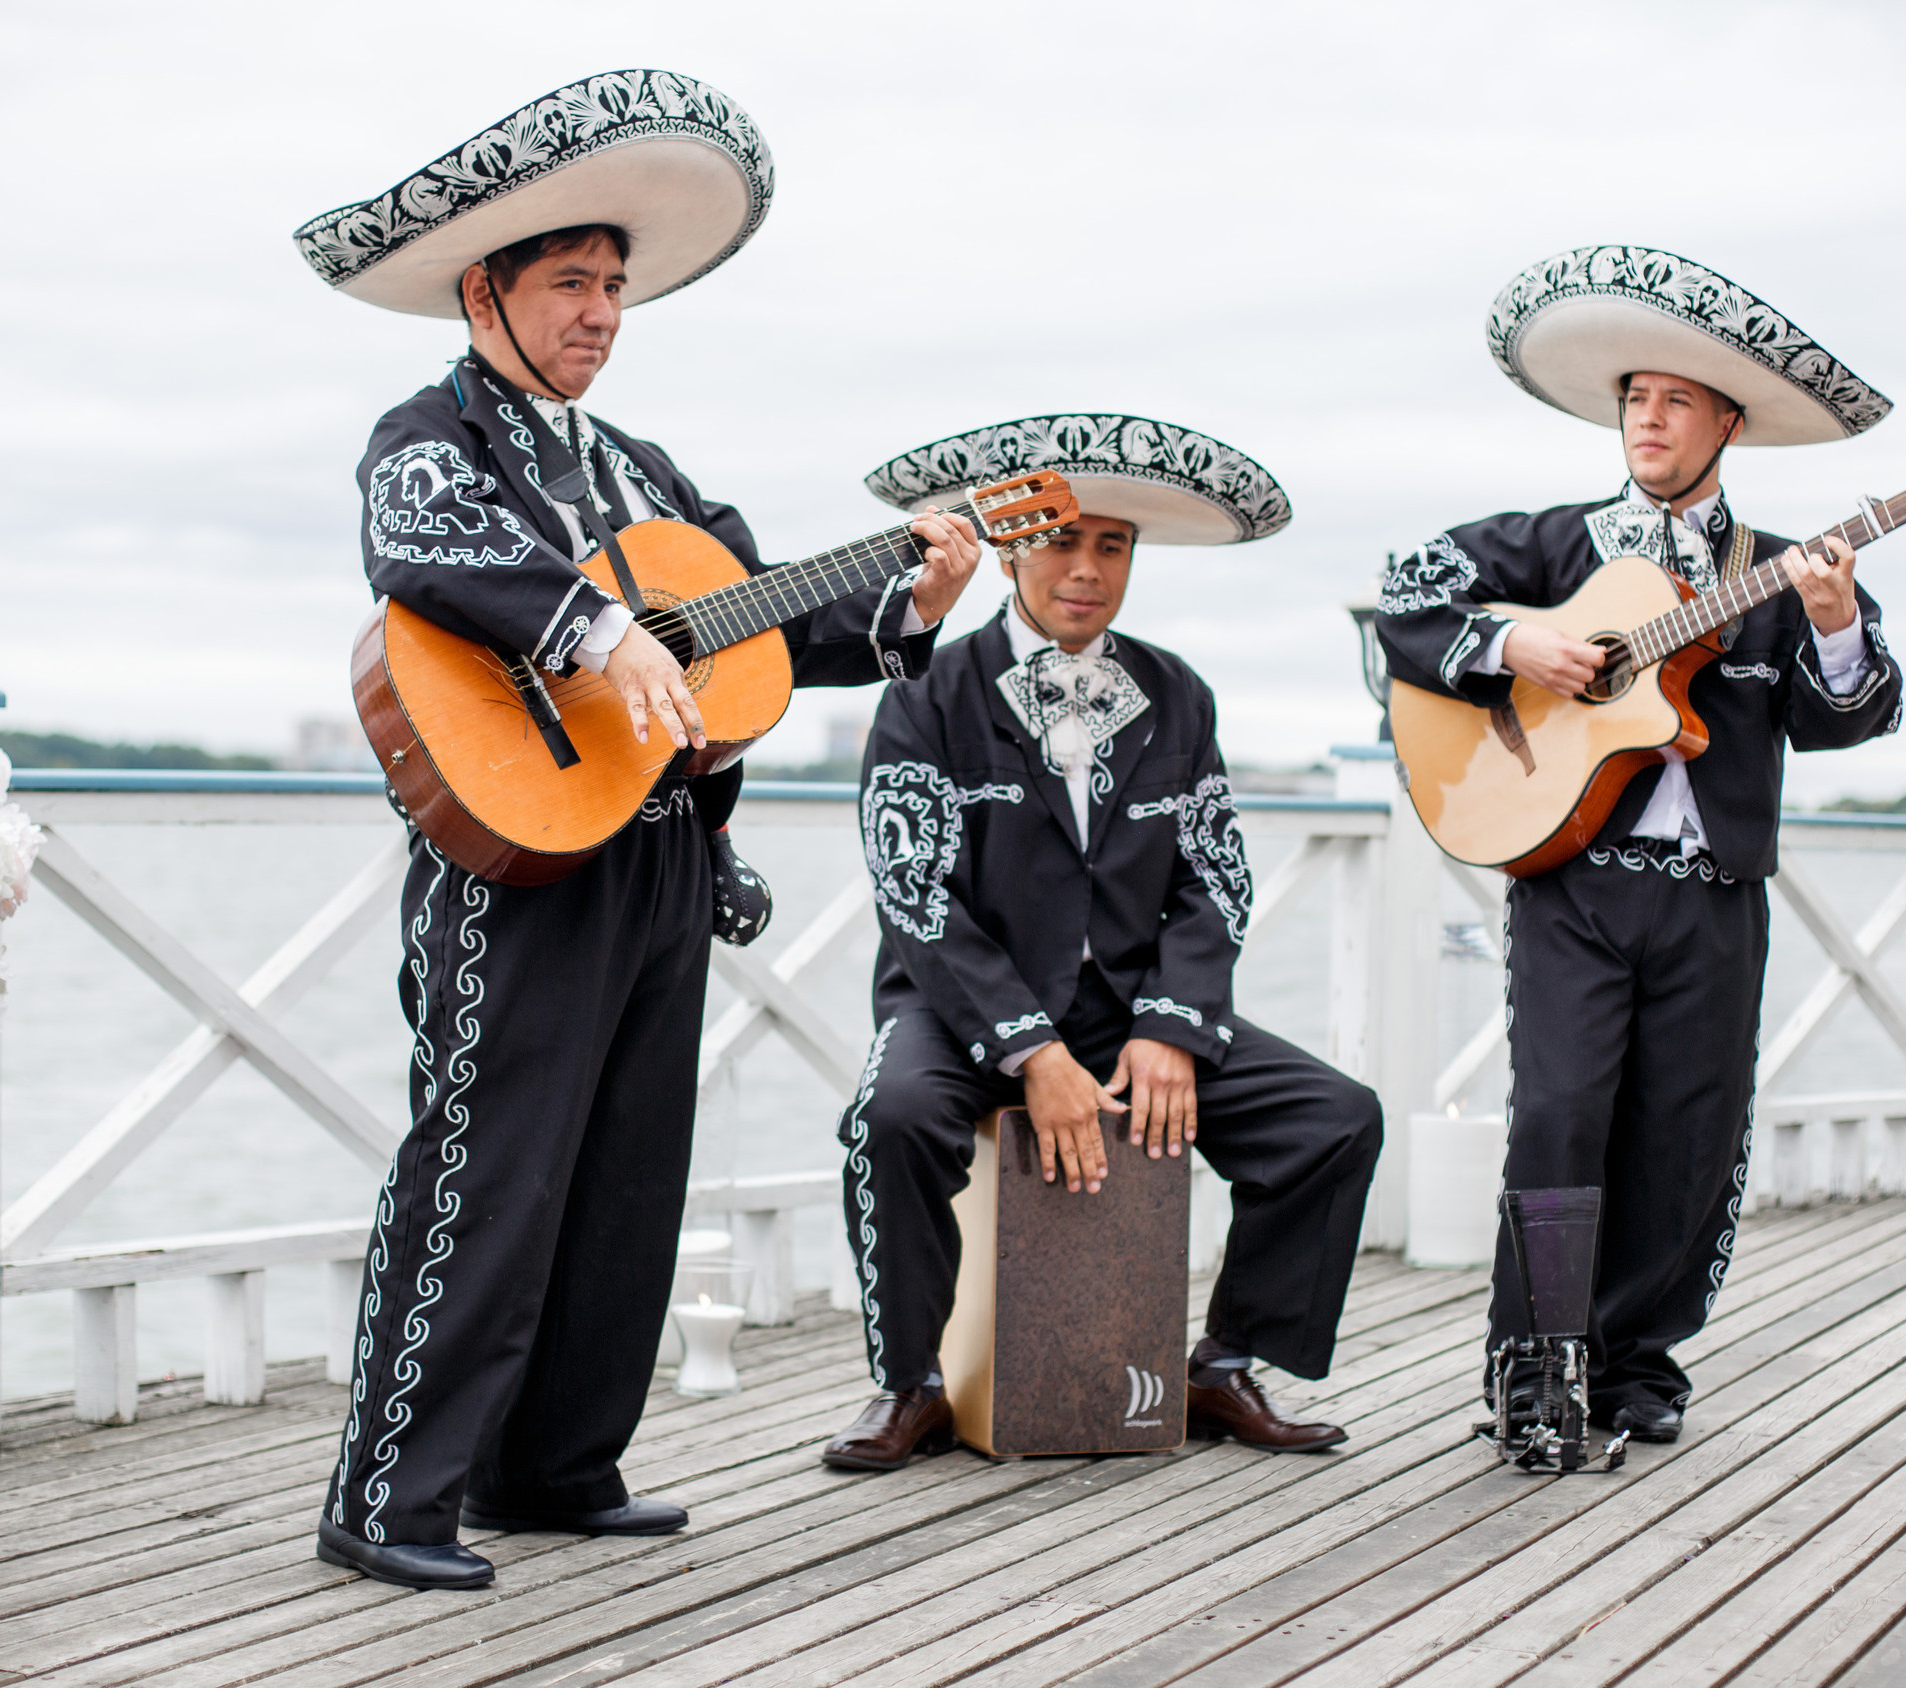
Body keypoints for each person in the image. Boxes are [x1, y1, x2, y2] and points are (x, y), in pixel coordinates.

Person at [290, 71, 984, 1590]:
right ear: (486, 287)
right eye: (570, 284)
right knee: (487, 1161)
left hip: (662, 848)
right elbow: (419, 541)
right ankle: (389, 1494)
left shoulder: (648, 475)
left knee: (625, 1170)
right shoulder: (431, 429)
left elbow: (758, 635)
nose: (601, 311)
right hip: (511, 857)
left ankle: (555, 1466)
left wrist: (910, 602)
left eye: (614, 286)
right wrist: (597, 629)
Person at [1374, 246, 1905, 1446]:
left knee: (1688, 1133)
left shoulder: (1781, 571)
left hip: (1715, 892)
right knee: (1559, 1115)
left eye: (1674, 401)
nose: (1648, 421)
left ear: (1728, 420)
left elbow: (1847, 720)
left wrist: (1831, 626)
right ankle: (1533, 1363)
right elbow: (1401, 602)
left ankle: (1634, 1366)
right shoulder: (1552, 547)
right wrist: (1515, 651)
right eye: (1634, 400)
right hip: (1574, 880)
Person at [820, 415, 1385, 1470]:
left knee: (1334, 1120)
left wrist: (1171, 1026)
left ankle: (1220, 1368)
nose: (1085, 570)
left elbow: (1213, 878)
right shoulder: (924, 691)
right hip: (960, 1012)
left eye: (1111, 546)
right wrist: (1032, 1052)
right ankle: (911, 1381)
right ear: (1009, 544)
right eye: (1062, 541)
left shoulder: (1179, 692)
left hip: (1127, 1007)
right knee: (888, 1119)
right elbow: (914, 892)